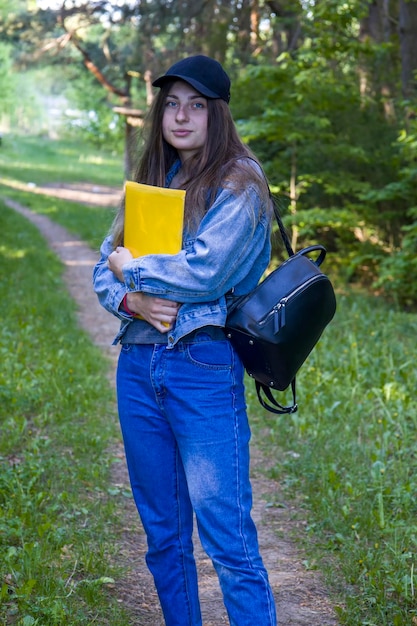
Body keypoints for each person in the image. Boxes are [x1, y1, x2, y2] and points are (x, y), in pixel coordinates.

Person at [93, 54, 277, 626]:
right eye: (171, 104)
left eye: (196, 105)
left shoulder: (241, 181)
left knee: (228, 538)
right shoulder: (154, 178)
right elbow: (103, 266)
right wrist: (132, 298)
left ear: (216, 113)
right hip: (138, 364)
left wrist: (135, 272)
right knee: (163, 538)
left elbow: (206, 271)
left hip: (202, 364)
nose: (181, 116)